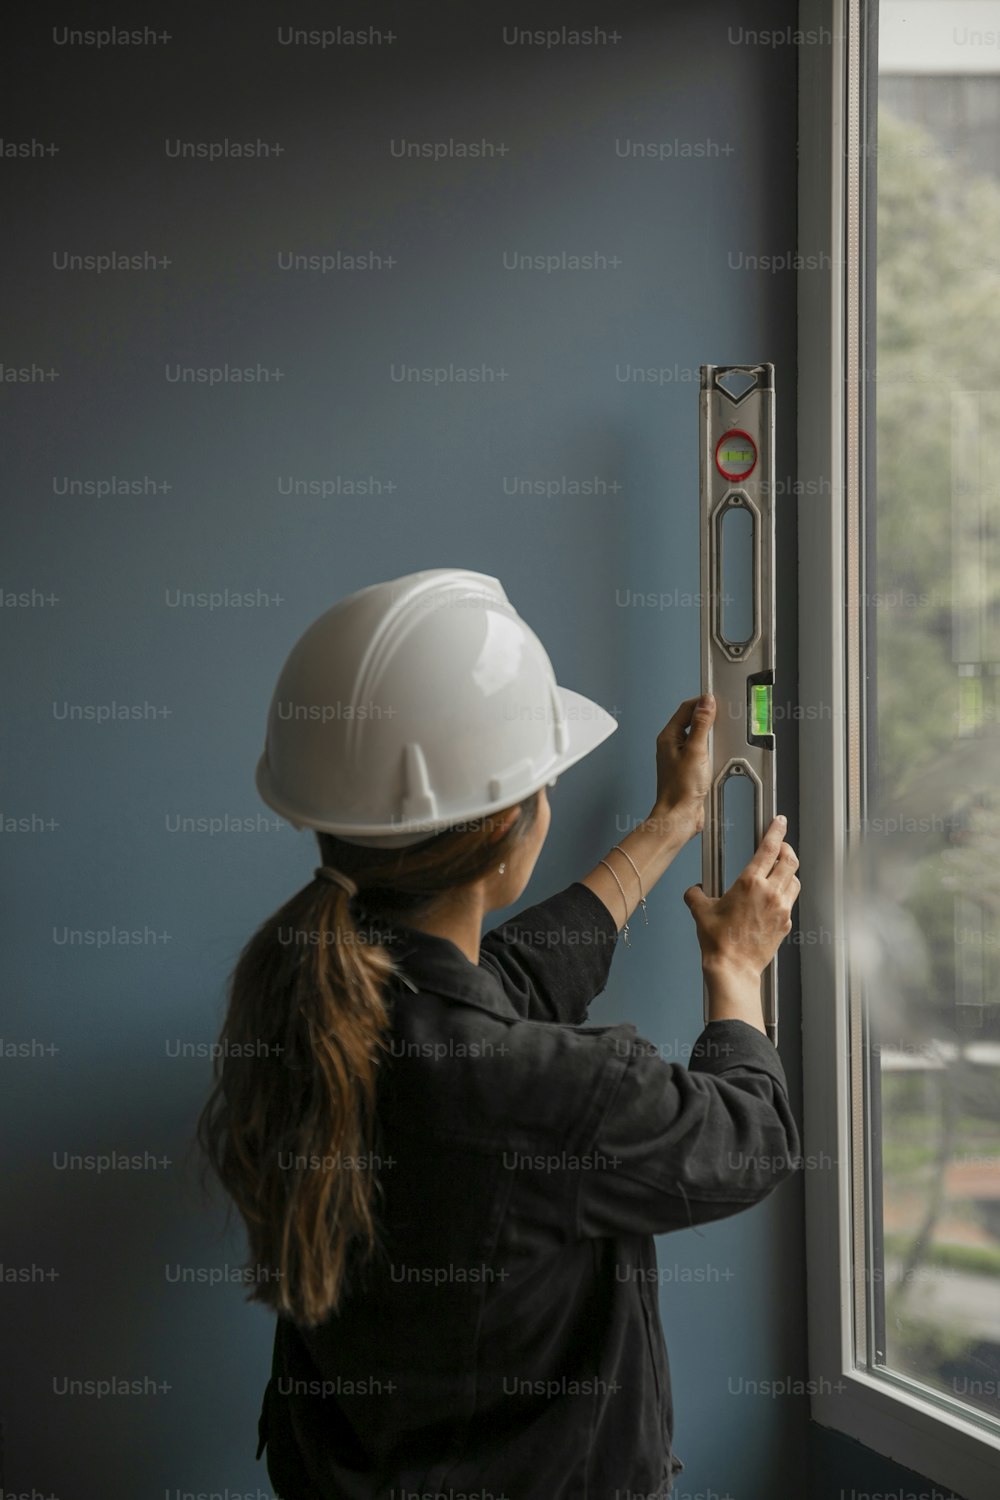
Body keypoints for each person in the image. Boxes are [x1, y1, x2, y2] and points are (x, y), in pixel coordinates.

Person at [197, 567, 802, 1500]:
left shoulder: (315, 992)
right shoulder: (544, 1092)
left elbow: (508, 977)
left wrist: (668, 828)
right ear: (514, 831)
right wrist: (738, 970)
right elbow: (751, 1141)